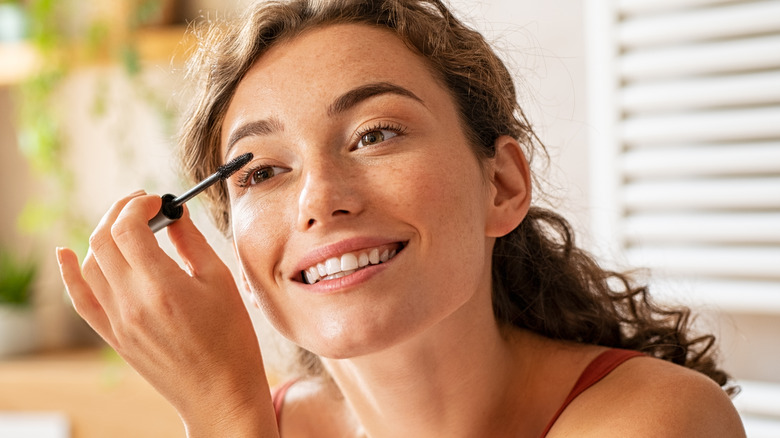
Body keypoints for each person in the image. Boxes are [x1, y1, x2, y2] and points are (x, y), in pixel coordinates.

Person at [57, 0, 746, 436]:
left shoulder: (654, 421)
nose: (319, 199)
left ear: (501, 184)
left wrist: (225, 419)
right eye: (263, 171)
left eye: (375, 134)